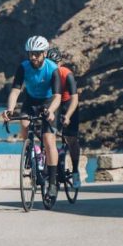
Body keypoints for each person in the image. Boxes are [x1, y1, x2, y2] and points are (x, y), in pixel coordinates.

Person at [3, 35, 62, 199]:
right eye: (30, 54)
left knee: (49, 140)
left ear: (44, 53)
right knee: (23, 122)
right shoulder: (23, 67)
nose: (33, 57)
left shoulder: (52, 68)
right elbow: (15, 90)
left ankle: (52, 182)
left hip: (49, 101)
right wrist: (10, 109)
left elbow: (58, 96)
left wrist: (50, 111)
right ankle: (29, 150)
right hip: (31, 101)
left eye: (37, 53)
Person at [46, 47, 81, 188]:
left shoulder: (67, 74)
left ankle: (75, 170)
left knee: (71, 138)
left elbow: (75, 99)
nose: (52, 65)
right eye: (49, 62)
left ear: (60, 63)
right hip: (52, 102)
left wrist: (67, 116)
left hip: (67, 103)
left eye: (55, 63)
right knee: (47, 135)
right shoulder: (45, 72)